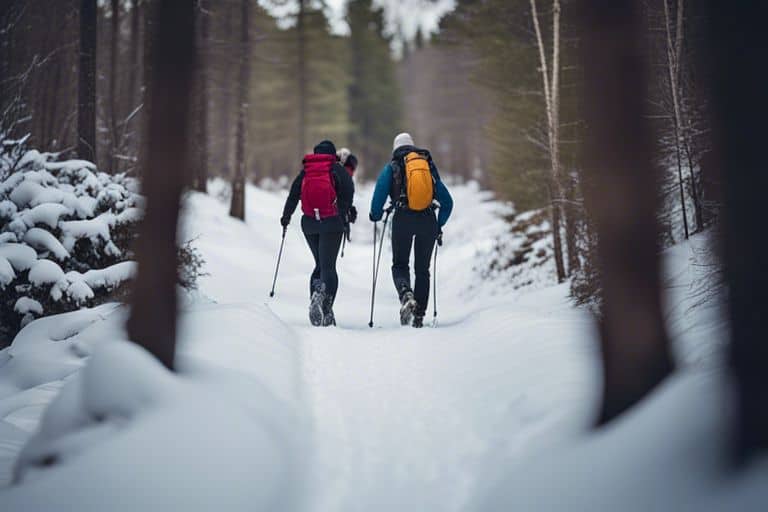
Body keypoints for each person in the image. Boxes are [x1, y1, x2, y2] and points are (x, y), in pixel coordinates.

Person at [369, 132, 453, 328]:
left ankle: (406, 294)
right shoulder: (427, 166)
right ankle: (419, 316)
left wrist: (375, 214)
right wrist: (438, 225)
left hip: (402, 220)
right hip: (427, 220)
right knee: (422, 270)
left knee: (400, 264)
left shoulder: (392, 167)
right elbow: (447, 202)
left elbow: (379, 193)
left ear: (395, 148)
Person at [281, 140, 354, 326]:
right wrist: (343, 212)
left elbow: (293, 194)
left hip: (309, 224)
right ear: (332, 154)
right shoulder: (336, 169)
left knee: (319, 264)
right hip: (331, 223)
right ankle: (326, 307)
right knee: (329, 267)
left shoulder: (307, 169)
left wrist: (286, 216)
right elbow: (349, 189)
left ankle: (316, 294)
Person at [337, 147, 359, 229]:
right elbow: (347, 193)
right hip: (339, 213)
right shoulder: (347, 173)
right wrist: (348, 208)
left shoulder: (334, 168)